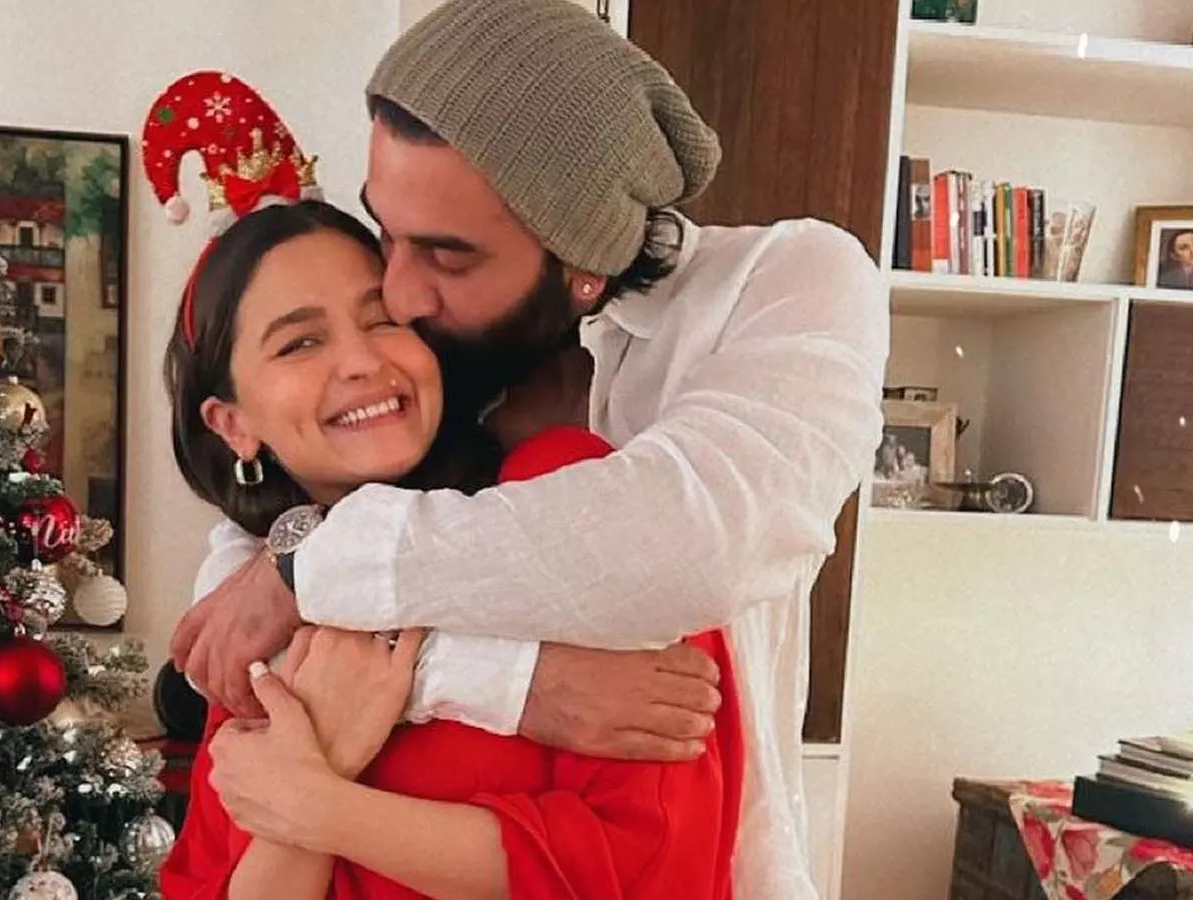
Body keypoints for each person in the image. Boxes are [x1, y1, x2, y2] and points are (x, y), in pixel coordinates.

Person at [167, 2, 890, 897]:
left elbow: (693, 542)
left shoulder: (784, 285)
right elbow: (243, 595)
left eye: (447, 256)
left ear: (583, 262)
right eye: (385, 232)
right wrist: (515, 681)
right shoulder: (431, 364)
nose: (401, 295)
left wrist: (306, 580)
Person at [157, 195, 746, 898]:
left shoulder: (564, 497)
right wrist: (325, 759)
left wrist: (322, 805)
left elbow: (653, 867)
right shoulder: (254, 621)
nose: (361, 360)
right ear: (233, 425)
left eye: (383, 319)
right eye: (299, 343)